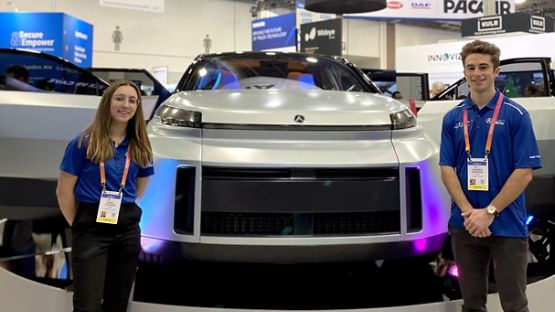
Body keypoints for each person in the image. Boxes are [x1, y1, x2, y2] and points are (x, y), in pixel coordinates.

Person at [439, 40, 542, 312]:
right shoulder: (452, 118)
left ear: (496, 71)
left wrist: (490, 212)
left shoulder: (516, 115)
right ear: (464, 72)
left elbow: (524, 173)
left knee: (514, 305)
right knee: (472, 305)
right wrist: (470, 213)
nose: (477, 73)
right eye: (470, 67)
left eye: (483, 67)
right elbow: (447, 169)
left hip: (506, 225)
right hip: (465, 225)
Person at [56, 80, 154, 311]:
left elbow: (139, 188)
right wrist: (79, 225)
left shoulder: (141, 146)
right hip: (91, 228)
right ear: (107, 102)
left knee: (117, 304)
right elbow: (63, 191)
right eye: (119, 98)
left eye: (132, 100)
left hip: (127, 229)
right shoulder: (83, 143)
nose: (125, 105)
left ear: (138, 107)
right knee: (87, 304)